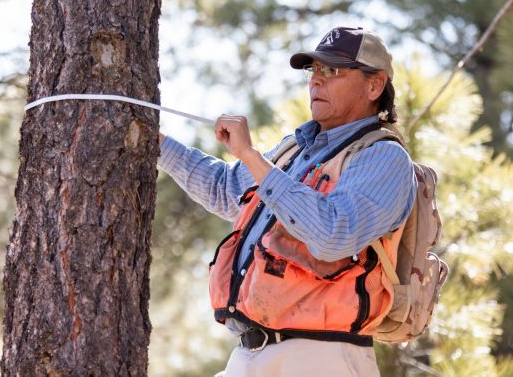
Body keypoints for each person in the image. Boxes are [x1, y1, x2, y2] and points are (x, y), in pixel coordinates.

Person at [157, 27, 417, 377]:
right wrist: (153, 142)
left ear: (374, 86)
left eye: (334, 71)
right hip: (253, 354)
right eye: (315, 71)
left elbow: (332, 235)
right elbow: (225, 189)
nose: (317, 82)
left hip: (323, 359)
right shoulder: (295, 150)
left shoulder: (383, 157)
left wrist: (251, 156)